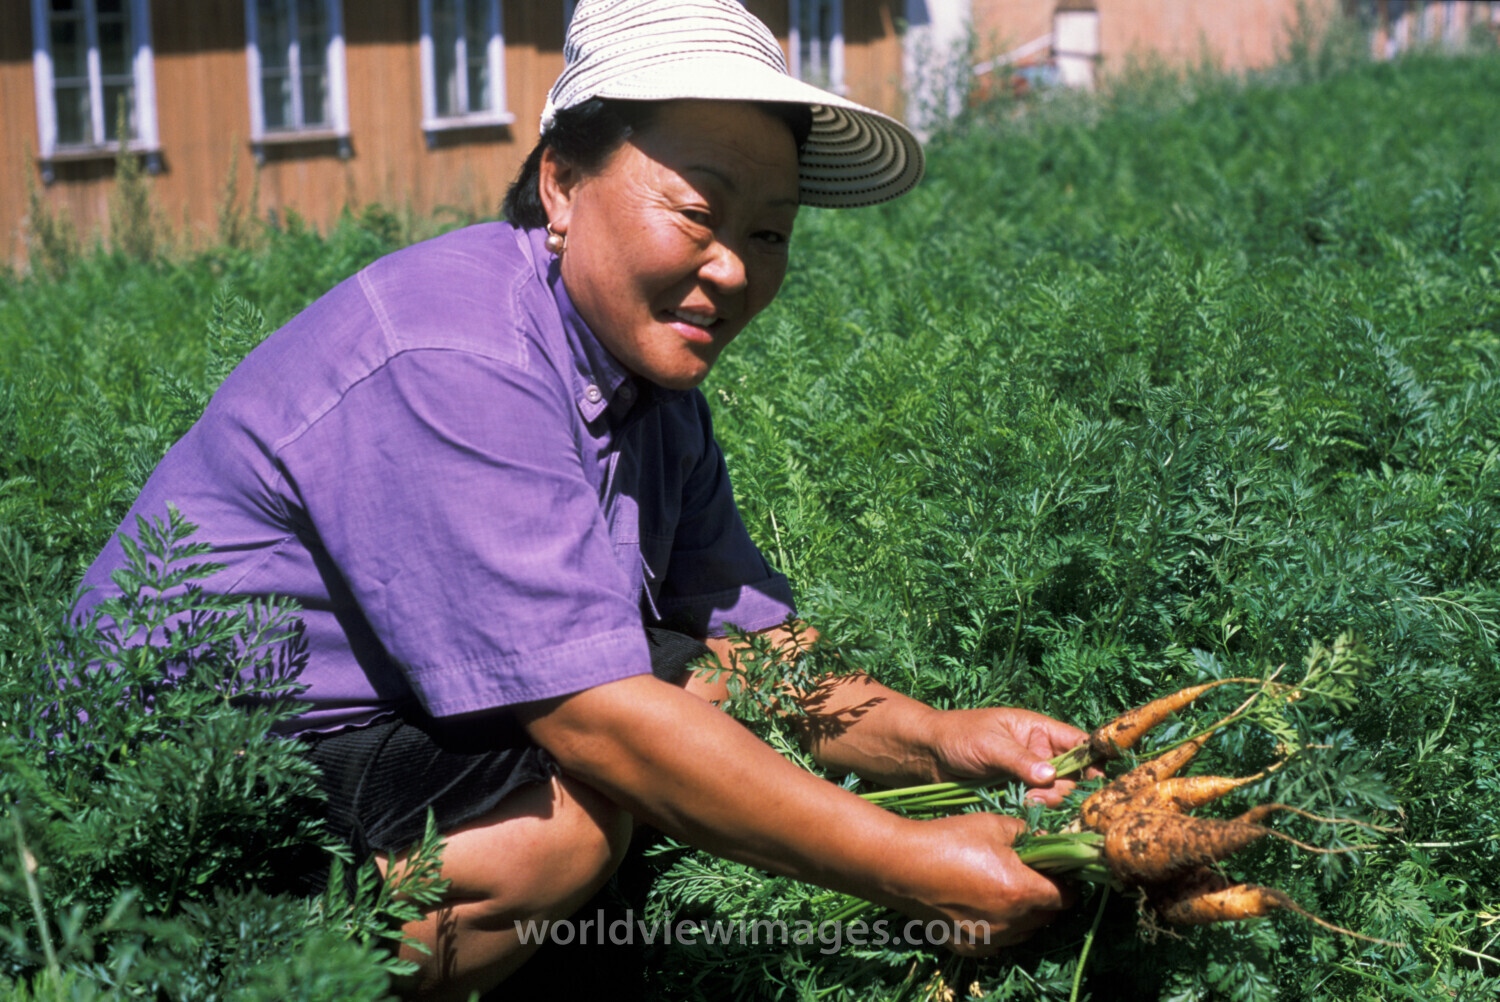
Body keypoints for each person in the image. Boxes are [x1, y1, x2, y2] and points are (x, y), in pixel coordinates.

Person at [75, 1, 1091, 998]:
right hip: (172, 783)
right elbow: (601, 720)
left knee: (675, 704)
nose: (734, 268)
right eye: (698, 212)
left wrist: (942, 738)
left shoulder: (653, 396)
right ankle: (208, 976)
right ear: (561, 183)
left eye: (771, 231)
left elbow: (741, 655)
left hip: (368, 728)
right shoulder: (456, 354)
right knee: (572, 825)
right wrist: (908, 865)